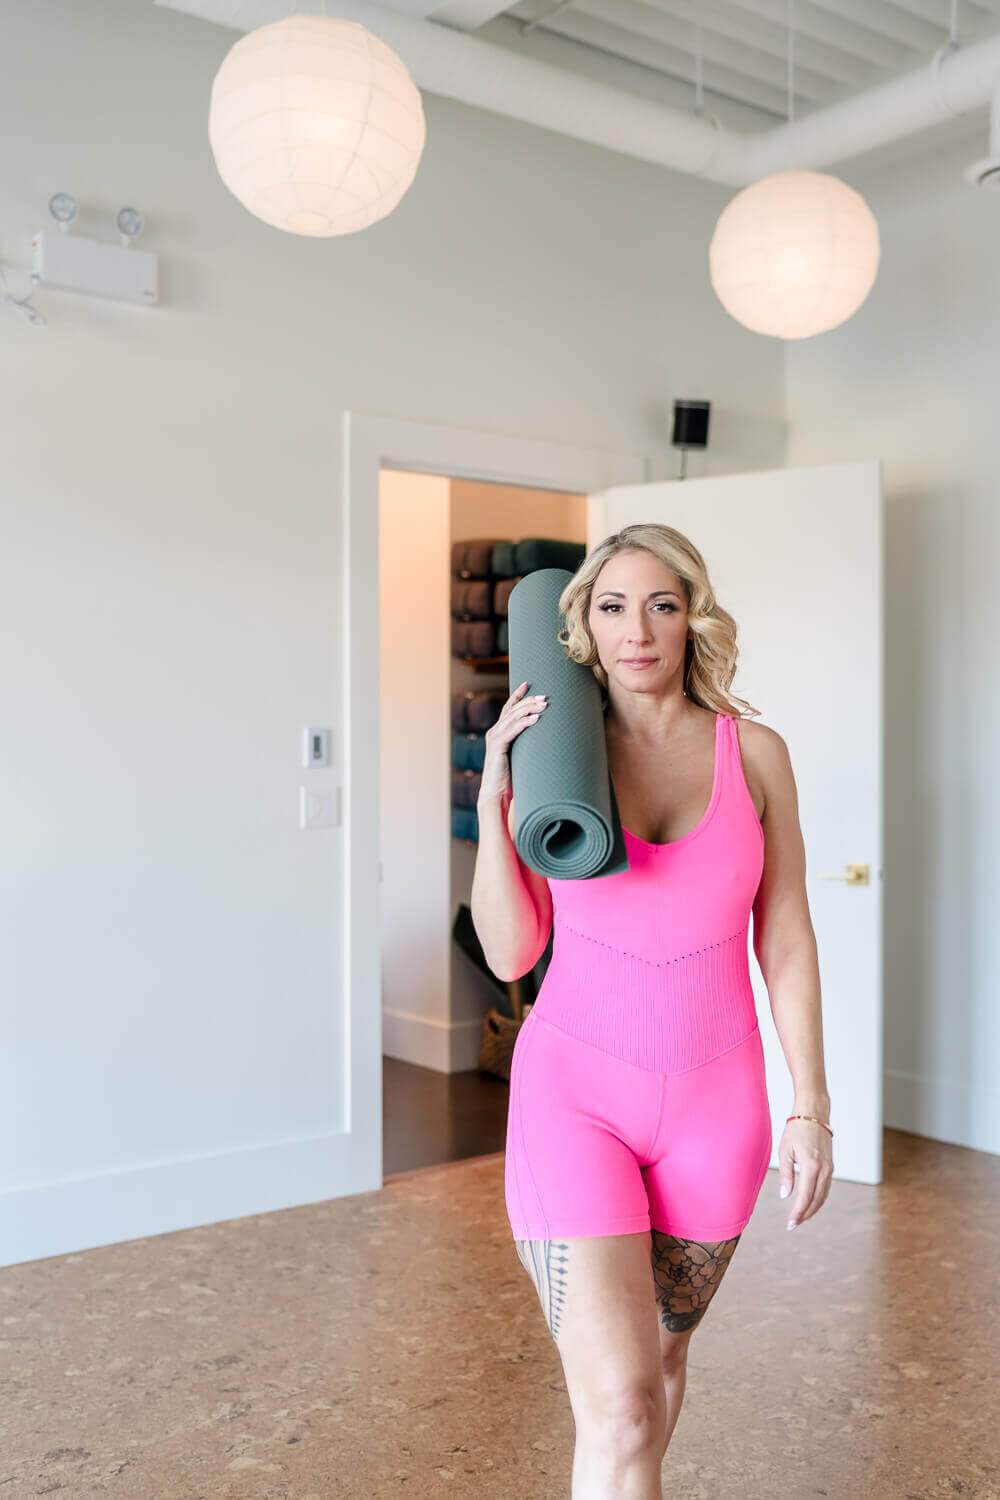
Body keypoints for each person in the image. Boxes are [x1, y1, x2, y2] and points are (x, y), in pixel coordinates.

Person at [471, 523, 833, 1499]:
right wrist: (499, 786)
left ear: (692, 619)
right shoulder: (557, 760)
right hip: (573, 1100)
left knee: (659, 1374)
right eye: (612, 604)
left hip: (719, 1111)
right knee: (621, 1403)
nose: (637, 629)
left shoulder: (753, 754)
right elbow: (511, 951)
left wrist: (810, 1107)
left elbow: (786, 938)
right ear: (582, 623)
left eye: (662, 604)